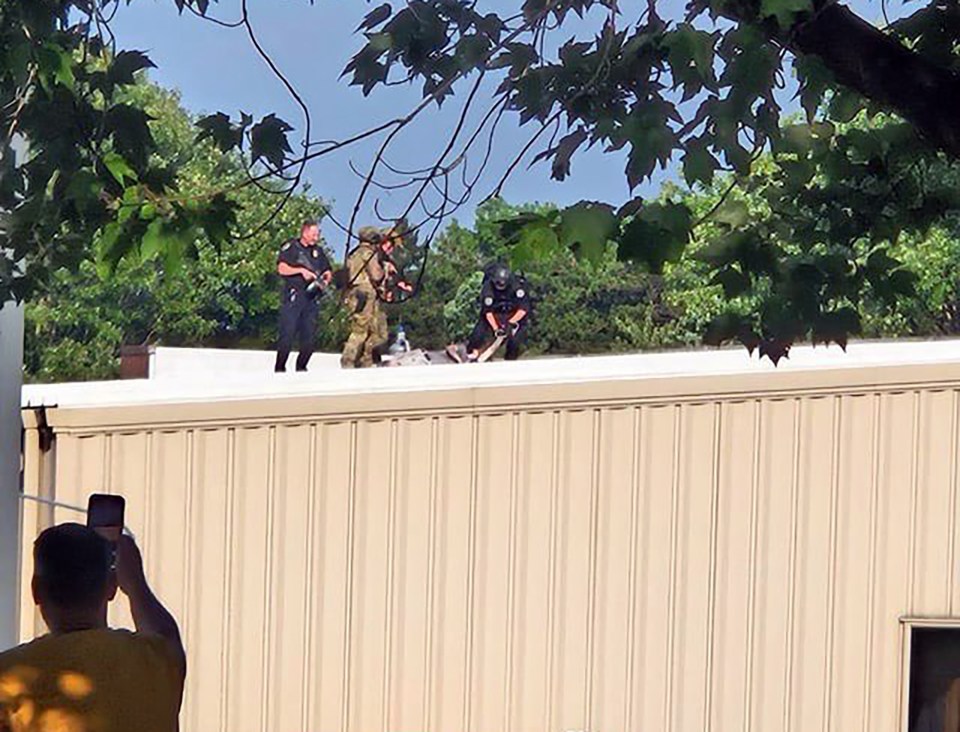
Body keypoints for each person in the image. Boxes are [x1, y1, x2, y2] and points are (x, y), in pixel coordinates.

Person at [0, 524, 185, 732]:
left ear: (36, 590)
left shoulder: (10, 678)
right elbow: (167, 635)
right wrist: (135, 584)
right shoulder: (154, 661)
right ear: (112, 587)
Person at [340, 226, 412, 368]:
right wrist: (385, 270)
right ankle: (349, 360)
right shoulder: (369, 254)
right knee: (363, 331)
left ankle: (365, 359)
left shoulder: (354, 254)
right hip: (366, 294)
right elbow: (376, 275)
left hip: (356, 294)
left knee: (367, 330)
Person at [275, 220, 333, 372]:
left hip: (311, 298)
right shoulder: (292, 247)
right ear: (305, 232)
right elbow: (282, 268)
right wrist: (300, 271)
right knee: (287, 335)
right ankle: (280, 368)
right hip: (294, 296)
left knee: (309, 339)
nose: (316, 237)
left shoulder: (318, 252)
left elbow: (327, 270)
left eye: (318, 234)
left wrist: (325, 280)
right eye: (313, 234)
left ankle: (301, 367)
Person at [466, 262, 531, 361]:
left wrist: (510, 323)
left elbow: (523, 309)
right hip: (494, 314)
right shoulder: (488, 287)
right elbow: (488, 312)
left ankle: (510, 360)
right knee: (478, 335)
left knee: (514, 342)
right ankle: (471, 353)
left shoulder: (517, 287)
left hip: (514, 316)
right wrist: (496, 328)